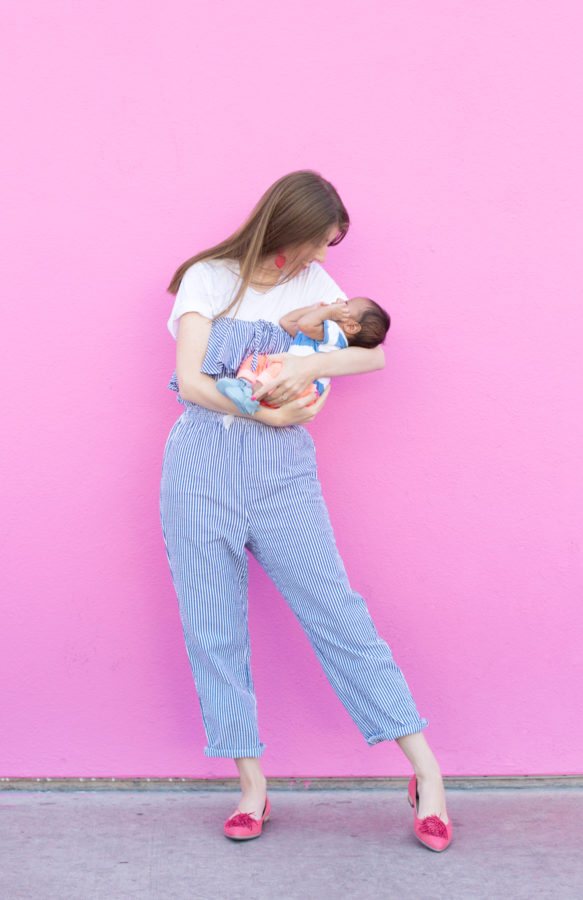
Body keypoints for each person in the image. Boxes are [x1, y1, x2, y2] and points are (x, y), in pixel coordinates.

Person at [160, 170, 452, 851]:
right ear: (287, 229)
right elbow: (193, 379)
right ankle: (252, 786)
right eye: (319, 243)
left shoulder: (316, 290)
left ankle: (428, 775)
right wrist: (261, 401)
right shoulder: (208, 278)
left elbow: (370, 355)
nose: (326, 260)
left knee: (337, 612)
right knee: (213, 627)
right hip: (201, 466)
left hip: (282, 473)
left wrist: (299, 377)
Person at [214, 296, 391, 414]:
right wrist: (314, 308)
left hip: (304, 384)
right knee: (259, 360)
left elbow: (305, 324)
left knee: (275, 369)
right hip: (294, 382)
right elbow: (287, 322)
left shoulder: (335, 334)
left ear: (351, 327)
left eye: (345, 303)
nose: (338, 300)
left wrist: (327, 312)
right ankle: (243, 385)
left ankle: (249, 397)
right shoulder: (322, 332)